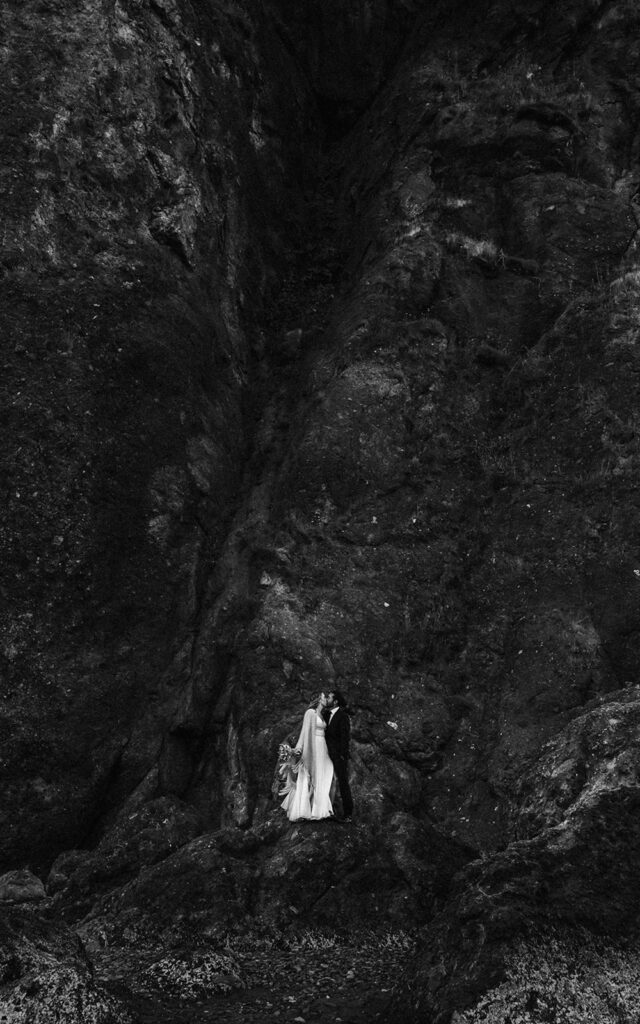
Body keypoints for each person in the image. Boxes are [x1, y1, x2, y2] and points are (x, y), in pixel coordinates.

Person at [278, 693, 334, 821]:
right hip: (313, 747)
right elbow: (304, 733)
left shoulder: (323, 715)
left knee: (325, 773)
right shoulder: (310, 712)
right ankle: (305, 809)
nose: (325, 699)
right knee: (310, 776)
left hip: (323, 747)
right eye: (323, 697)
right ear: (318, 700)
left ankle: (319, 808)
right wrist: (298, 749)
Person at [324, 689, 353, 821]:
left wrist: (342, 756)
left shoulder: (342, 716)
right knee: (329, 781)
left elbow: (345, 738)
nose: (327, 699)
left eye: (329, 697)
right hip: (325, 754)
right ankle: (329, 810)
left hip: (338, 756)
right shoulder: (325, 714)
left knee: (342, 783)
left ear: (335, 702)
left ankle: (348, 813)